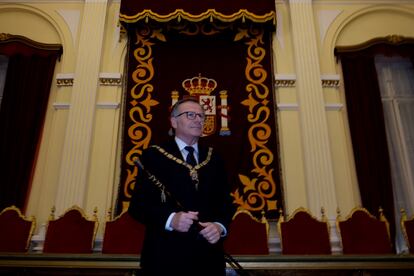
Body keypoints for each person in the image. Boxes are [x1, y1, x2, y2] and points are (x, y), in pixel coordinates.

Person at [128, 97, 235, 276]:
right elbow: (138, 206)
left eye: (201, 116)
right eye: (191, 115)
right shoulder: (153, 156)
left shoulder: (215, 158)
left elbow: (226, 203)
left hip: (208, 259)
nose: (198, 119)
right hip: (164, 258)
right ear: (174, 121)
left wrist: (219, 226)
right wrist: (171, 219)